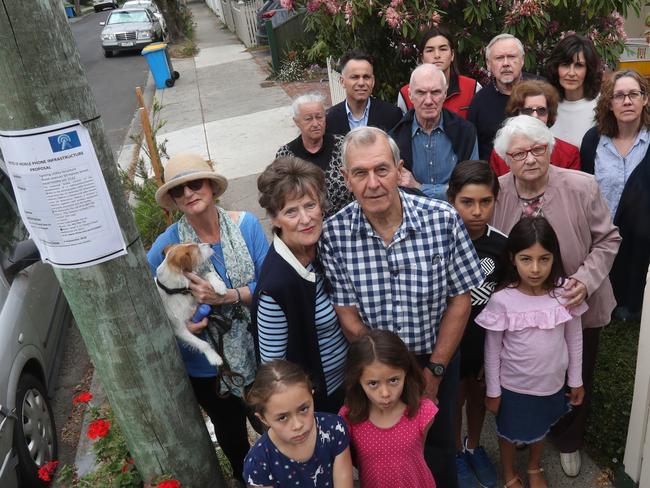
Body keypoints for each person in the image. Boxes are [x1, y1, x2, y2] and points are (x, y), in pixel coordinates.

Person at [320, 126, 484, 488]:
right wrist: (386, 377)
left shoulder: (442, 219)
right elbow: (347, 315)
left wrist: (435, 371)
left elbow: (461, 299)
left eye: (381, 169)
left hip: (434, 355)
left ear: (399, 169)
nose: (373, 183)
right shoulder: (333, 234)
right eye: (360, 173)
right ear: (346, 179)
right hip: (375, 371)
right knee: (381, 454)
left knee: (439, 446)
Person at [491, 116, 621, 478]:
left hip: (577, 302)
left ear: (548, 149)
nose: (530, 159)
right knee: (523, 368)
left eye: (538, 149)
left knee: (577, 373)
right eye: (520, 153)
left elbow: (608, 239)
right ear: (506, 158)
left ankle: (567, 439)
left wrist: (585, 279)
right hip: (521, 308)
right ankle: (525, 428)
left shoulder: (582, 186)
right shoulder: (497, 191)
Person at [147, 153, 269, 483]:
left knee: (272, 423)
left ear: (212, 187)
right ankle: (247, 479)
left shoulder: (246, 226)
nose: (188, 193)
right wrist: (179, 325)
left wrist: (228, 296)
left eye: (195, 184)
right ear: (173, 200)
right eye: (179, 190)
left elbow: (271, 288)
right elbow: (145, 303)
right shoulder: (168, 246)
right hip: (208, 366)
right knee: (231, 435)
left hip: (259, 348)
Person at [476, 216, 588, 488]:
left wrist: (575, 380)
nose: (536, 268)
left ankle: (534, 466)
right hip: (514, 386)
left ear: (554, 257)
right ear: (513, 257)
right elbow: (491, 350)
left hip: (551, 384)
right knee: (508, 433)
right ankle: (508, 473)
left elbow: (574, 338)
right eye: (526, 259)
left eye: (544, 259)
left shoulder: (565, 293)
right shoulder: (502, 300)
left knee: (541, 427)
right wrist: (493, 391)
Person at [252, 156, 349, 413]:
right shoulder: (277, 287)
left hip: (349, 387)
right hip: (319, 405)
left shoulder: (321, 249)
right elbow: (275, 371)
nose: (305, 219)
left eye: (310, 205)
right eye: (291, 211)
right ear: (274, 219)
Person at [447, 160, 506, 488]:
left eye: (485, 201)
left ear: (495, 200)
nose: (477, 211)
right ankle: (455, 451)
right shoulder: (442, 241)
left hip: (486, 343)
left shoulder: (501, 244)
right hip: (452, 341)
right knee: (454, 397)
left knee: (479, 393)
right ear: (452, 199)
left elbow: (505, 297)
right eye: (467, 202)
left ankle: (473, 446)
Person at [580, 69, 650, 322]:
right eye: (619, 96)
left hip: (643, 239)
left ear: (645, 99)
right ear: (609, 103)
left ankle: (635, 308)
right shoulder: (593, 140)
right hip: (602, 232)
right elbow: (586, 187)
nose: (627, 101)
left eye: (634, 94)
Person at [339, 329, 437, 488]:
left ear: (406, 372)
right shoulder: (349, 416)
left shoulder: (423, 411)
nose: (385, 394)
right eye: (373, 383)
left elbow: (419, 454)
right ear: (357, 380)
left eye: (393, 380)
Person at [244, 360, 354, 487]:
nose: (297, 425)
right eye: (282, 417)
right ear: (263, 418)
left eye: (303, 409)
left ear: (312, 396)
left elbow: (344, 481)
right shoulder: (259, 462)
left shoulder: (334, 429)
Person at [391, 64, 479, 200]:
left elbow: (471, 187)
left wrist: (419, 188)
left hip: (456, 216)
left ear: (445, 94)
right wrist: (448, 191)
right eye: (421, 93)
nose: (428, 101)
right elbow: (395, 191)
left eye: (435, 92)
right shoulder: (395, 138)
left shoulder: (465, 132)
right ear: (410, 95)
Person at [276, 93, 353, 216]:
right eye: (308, 119)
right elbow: (281, 199)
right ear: (297, 122)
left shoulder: (343, 145)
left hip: (346, 225)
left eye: (319, 117)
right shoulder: (286, 155)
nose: (316, 123)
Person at [468, 33, 540, 159]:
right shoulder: (479, 103)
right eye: (499, 58)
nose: (506, 63)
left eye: (511, 57)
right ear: (488, 64)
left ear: (522, 60)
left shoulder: (542, 90)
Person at [489, 80, 580, 176]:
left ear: (549, 114)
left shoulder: (569, 154)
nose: (535, 116)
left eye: (541, 110)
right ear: (516, 114)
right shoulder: (501, 153)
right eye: (527, 110)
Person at [397, 25, 481, 119]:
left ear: (452, 55)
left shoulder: (472, 88)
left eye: (443, 49)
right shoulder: (407, 93)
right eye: (430, 50)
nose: (437, 55)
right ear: (422, 58)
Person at [326, 50, 403, 136]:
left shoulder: (392, 115)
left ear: (373, 81)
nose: (361, 83)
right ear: (342, 81)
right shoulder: (329, 119)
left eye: (366, 77)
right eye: (355, 77)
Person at [546, 34, 602, 148]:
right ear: (556, 68)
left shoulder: (602, 106)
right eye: (565, 65)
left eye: (579, 65)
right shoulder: (544, 105)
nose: (571, 73)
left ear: (589, 70)